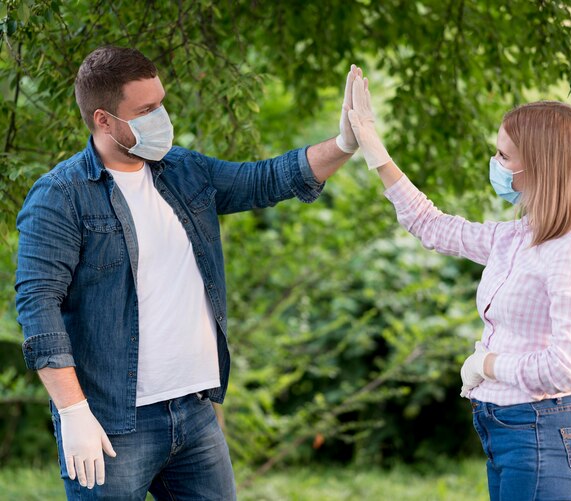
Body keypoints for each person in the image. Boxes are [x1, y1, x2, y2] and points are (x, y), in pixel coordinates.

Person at [15, 45, 363, 500]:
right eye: (145, 110)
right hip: (111, 423)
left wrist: (344, 145)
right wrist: (73, 410)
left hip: (195, 413)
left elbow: (264, 179)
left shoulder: (182, 170)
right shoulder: (61, 196)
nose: (160, 116)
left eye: (161, 102)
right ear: (103, 119)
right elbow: (38, 306)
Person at [347, 75, 571, 500]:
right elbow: (432, 226)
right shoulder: (518, 237)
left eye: (504, 156)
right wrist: (375, 150)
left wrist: (490, 365)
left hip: (539, 437)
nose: (495, 163)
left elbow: (567, 367)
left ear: (540, 165)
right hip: (504, 433)